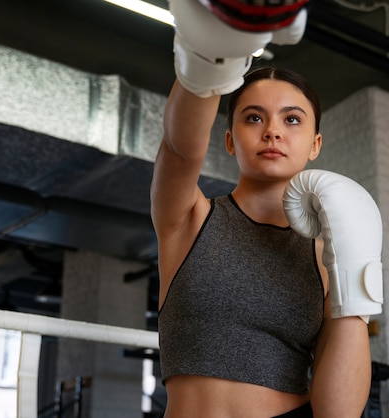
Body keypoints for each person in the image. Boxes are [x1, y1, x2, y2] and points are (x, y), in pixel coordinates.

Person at [150, 1, 375, 417]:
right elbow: (179, 151)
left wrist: (357, 275)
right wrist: (208, 61)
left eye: (292, 120)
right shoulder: (189, 219)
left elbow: (338, 412)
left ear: (314, 145)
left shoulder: (326, 256)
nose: (272, 130)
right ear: (231, 139)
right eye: (254, 118)